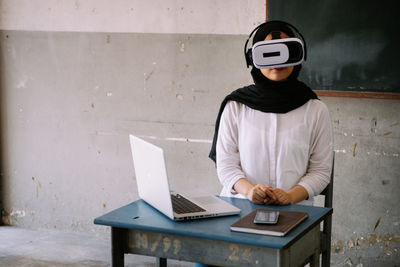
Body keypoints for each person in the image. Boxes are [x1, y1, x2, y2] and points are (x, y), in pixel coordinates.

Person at [209, 20, 334, 207]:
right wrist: (249, 191)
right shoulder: (236, 106)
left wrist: (291, 196)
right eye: (268, 53)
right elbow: (226, 166)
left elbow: (320, 171)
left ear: (298, 55)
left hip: (296, 211)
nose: (277, 62)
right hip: (239, 207)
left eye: (285, 51)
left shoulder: (315, 110)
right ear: (253, 58)